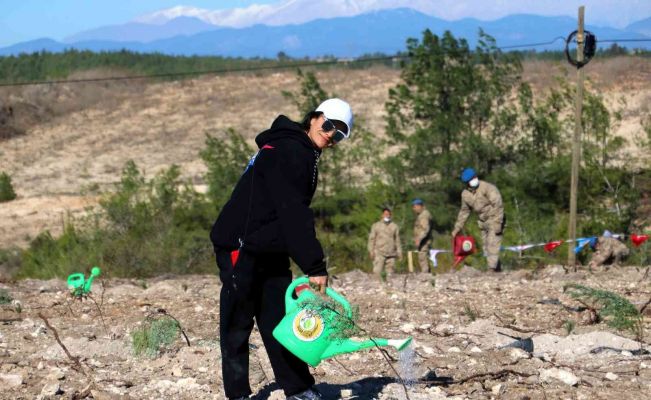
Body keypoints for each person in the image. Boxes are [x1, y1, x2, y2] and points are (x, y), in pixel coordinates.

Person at [210, 98, 354, 400]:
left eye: (339, 134)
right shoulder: (291, 150)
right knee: (237, 323)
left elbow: (284, 211)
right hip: (241, 244)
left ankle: (298, 388)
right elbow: (293, 211)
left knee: (280, 321)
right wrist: (314, 265)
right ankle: (237, 394)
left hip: (271, 247)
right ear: (314, 118)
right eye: (328, 125)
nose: (330, 135)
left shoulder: (298, 150)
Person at [451, 168, 505, 272]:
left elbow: (498, 205)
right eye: (471, 179)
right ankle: (497, 269)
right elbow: (464, 212)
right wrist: (457, 228)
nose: (474, 180)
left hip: (494, 218)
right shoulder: (465, 194)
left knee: (492, 244)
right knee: (486, 247)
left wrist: (498, 222)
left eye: (474, 177)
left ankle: (491, 269)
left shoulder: (488, 188)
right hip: (482, 222)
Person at [368, 207, 403, 280]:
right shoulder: (376, 225)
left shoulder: (394, 226)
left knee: (390, 275)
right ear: (382, 215)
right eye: (385, 214)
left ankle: (389, 288)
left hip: (391, 253)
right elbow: (371, 239)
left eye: (388, 214)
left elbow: (397, 240)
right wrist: (371, 251)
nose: (387, 216)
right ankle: (377, 288)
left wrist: (399, 252)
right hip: (379, 252)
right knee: (377, 272)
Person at [412, 198, 433, 273]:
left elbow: (425, 229)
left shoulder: (424, 215)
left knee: (422, 258)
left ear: (419, 206)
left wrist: (419, 239)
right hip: (423, 241)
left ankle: (425, 275)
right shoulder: (421, 215)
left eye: (414, 207)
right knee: (423, 258)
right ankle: (428, 274)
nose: (414, 209)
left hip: (424, 241)